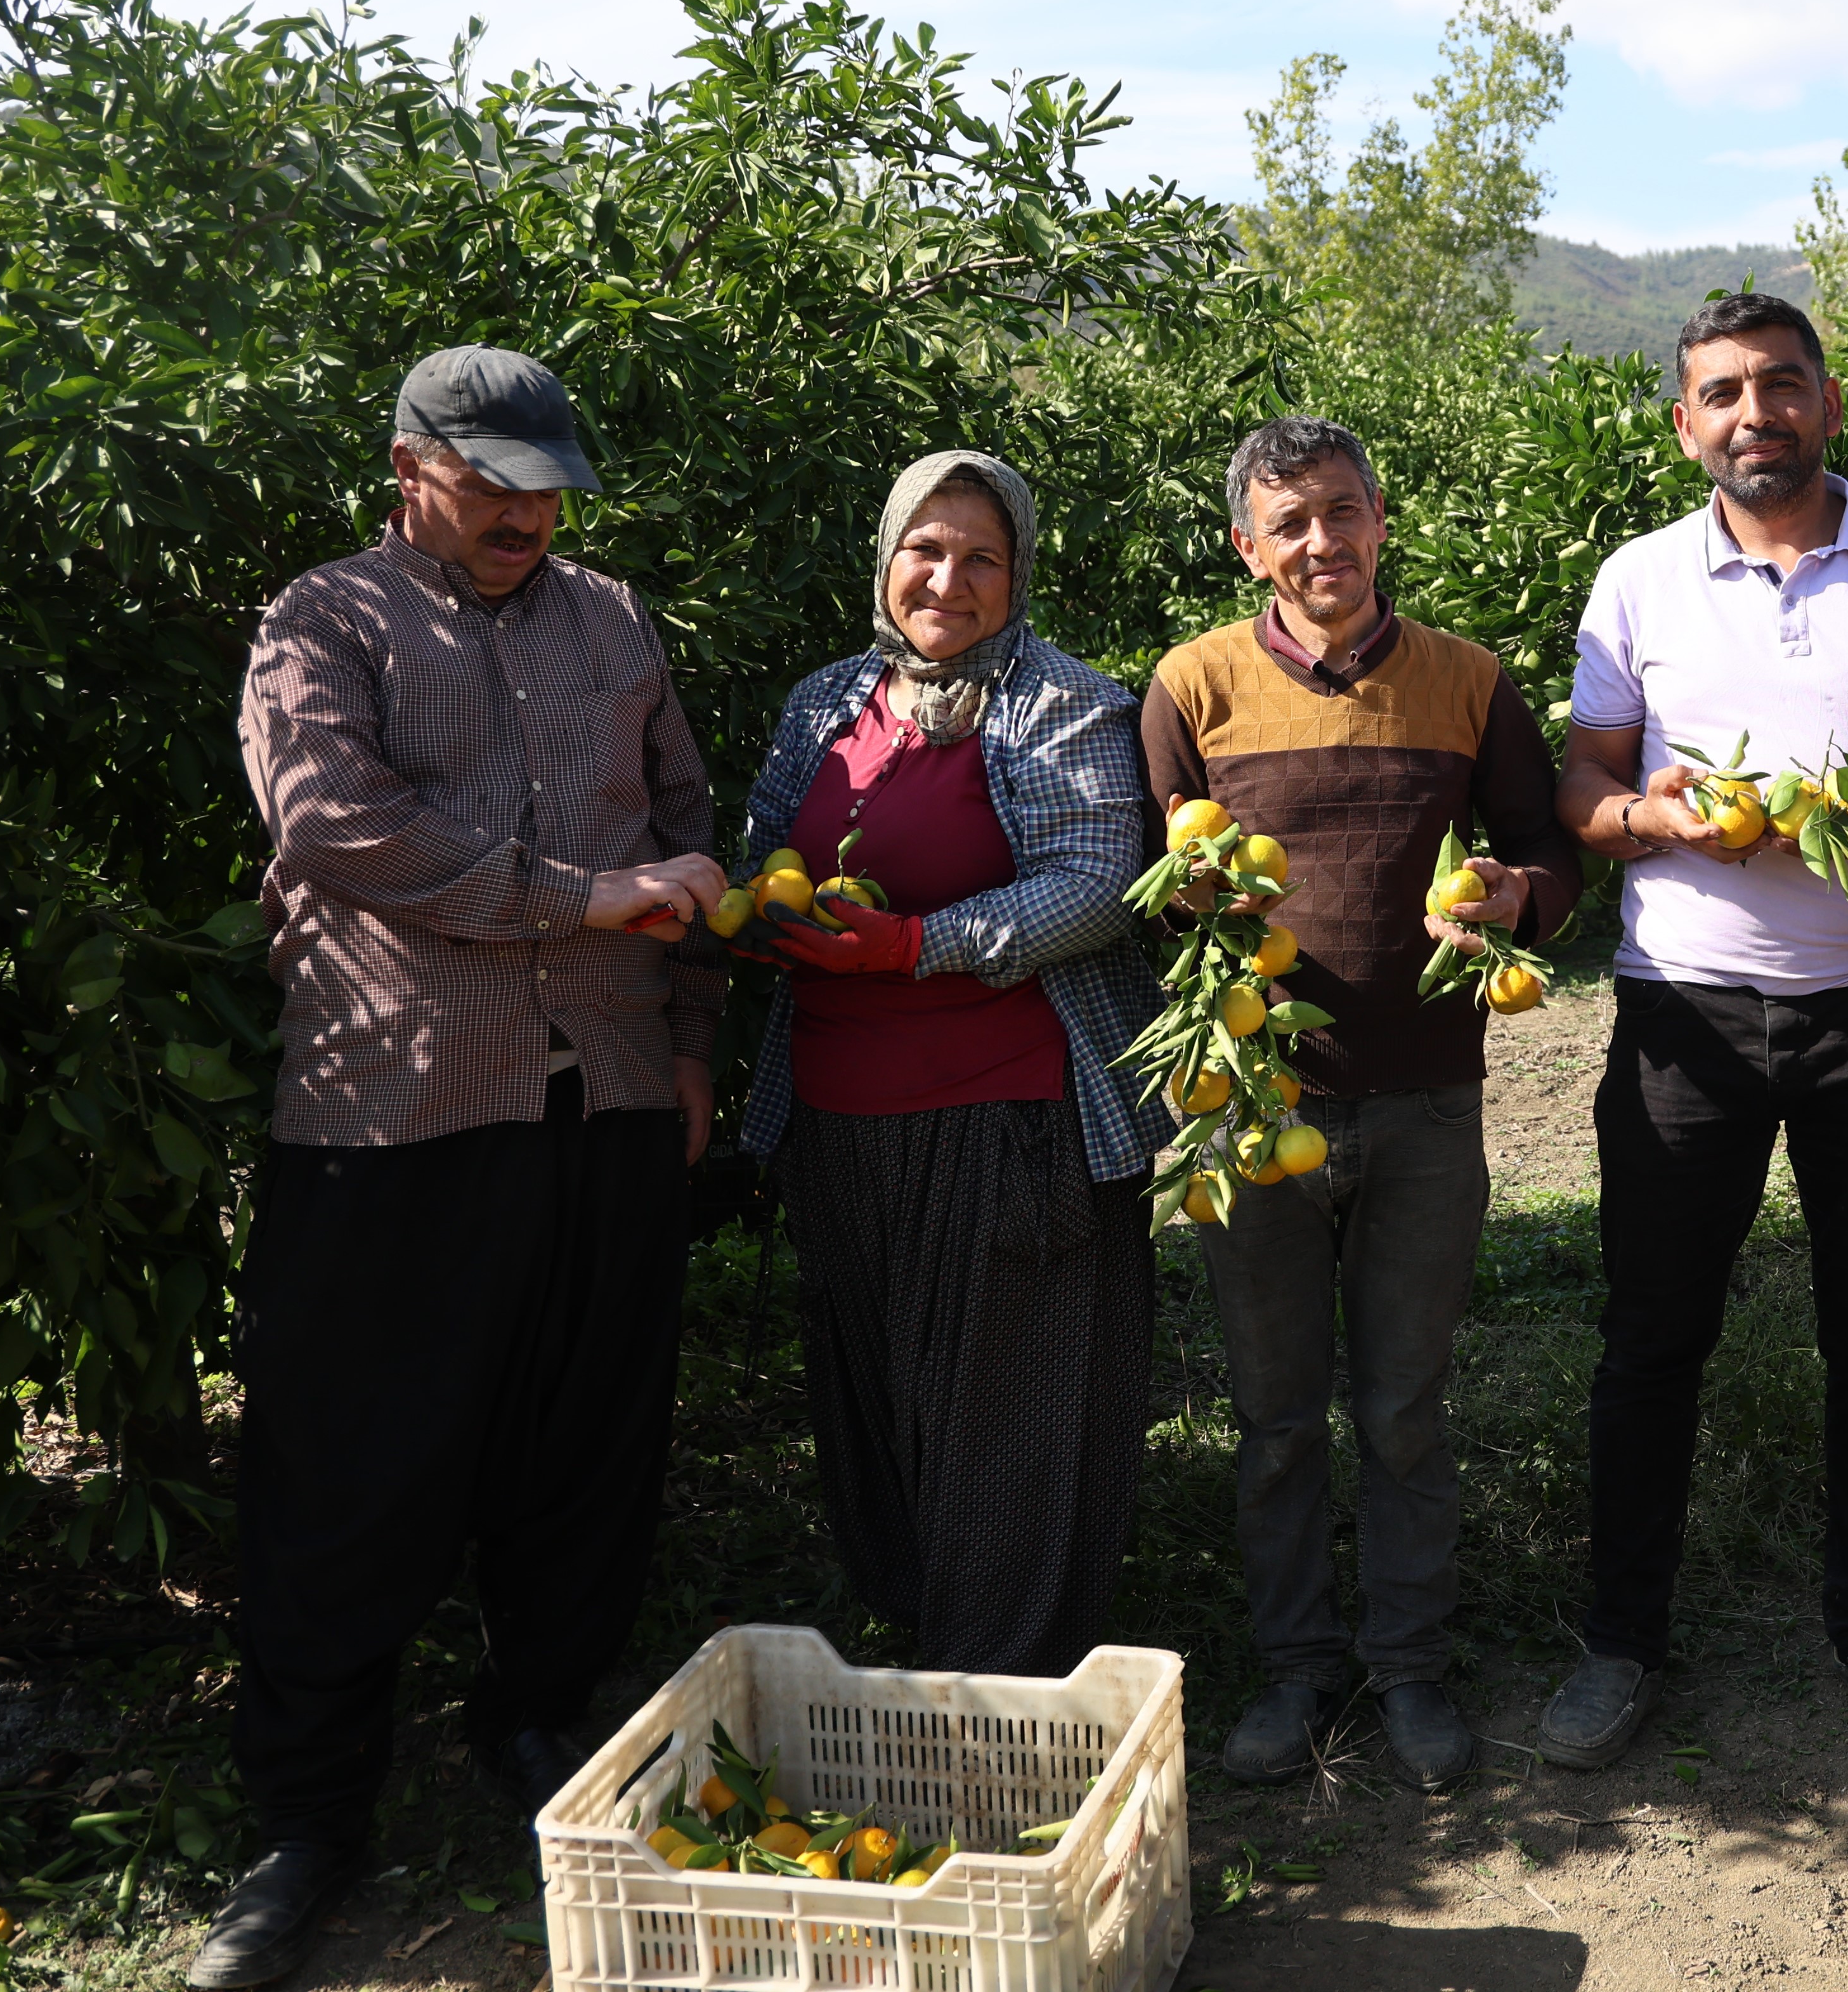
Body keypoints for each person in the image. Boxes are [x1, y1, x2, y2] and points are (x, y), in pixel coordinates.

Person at [207, 346, 729, 1989]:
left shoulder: (614, 620)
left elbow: (685, 816)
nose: (524, 509)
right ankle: (308, 1816)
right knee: (353, 1463)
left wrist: (696, 1037)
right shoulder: (328, 621)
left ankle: (534, 1723)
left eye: (544, 480)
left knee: (583, 1438)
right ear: (408, 466)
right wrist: (572, 900)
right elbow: (329, 819)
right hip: (399, 1112)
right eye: (489, 478)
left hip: (612, 1098)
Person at [1539, 290, 1848, 1771]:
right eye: (1722, 393)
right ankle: (1620, 1639)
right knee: (1651, 1338)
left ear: (1828, 402)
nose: (1753, 413)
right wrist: (1653, 818)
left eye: (1780, 385)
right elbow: (1584, 783)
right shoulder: (1638, 580)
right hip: (1684, 1017)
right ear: (1685, 421)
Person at [1140, 416, 1582, 1793]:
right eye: (1290, 522)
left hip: (1429, 1104)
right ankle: (1295, 1666)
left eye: (1343, 511)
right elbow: (1153, 888)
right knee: (1275, 1414)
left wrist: (1520, 897)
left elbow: (1548, 854)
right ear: (1246, 545)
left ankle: (1410, 1667)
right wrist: (1195, 909)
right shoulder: (1190, 685)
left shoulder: (1465, 679)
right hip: (1255, 1108)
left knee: (1404, 1403)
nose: (1321, 543)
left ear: (1382, 520)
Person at [735, 450, 1168, 1680]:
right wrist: (754, 915)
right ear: (886, 558)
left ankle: (1005, 1693)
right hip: (832, 1119)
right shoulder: (825, 701)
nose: (950, 578)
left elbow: (1096, 889)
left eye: (983, 555)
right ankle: (919, 1650)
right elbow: (767, 845)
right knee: (877, 1405)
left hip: (1004, 1122)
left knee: (1007, 1420)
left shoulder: (1066, 699)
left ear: (1019, 573)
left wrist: (917, 942)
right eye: (926, 548)